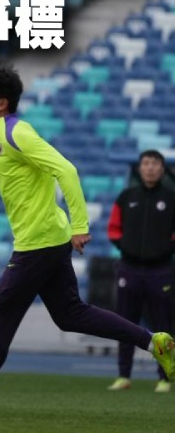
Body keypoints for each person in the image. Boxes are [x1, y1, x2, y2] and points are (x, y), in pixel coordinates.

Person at [0, 65, 175, 413]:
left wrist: (80, 225)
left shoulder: (17, 133)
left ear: (1, 103)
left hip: (38, 244)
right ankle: (154, 342)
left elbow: (66, 170)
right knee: (70, 315)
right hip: (47, 240)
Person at [106, 149, 175, 392]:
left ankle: (164, 378)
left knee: (163, 325)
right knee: (125, 323)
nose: (150, 168)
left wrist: (165, 249)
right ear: (140, 168)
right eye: (146, 163)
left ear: (162, 168)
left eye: (155, 163)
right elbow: (113, 229)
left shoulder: (171, 198)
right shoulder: (126, 197)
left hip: (160, 271)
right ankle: (123, 376)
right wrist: (127, 247)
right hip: (129, 269)